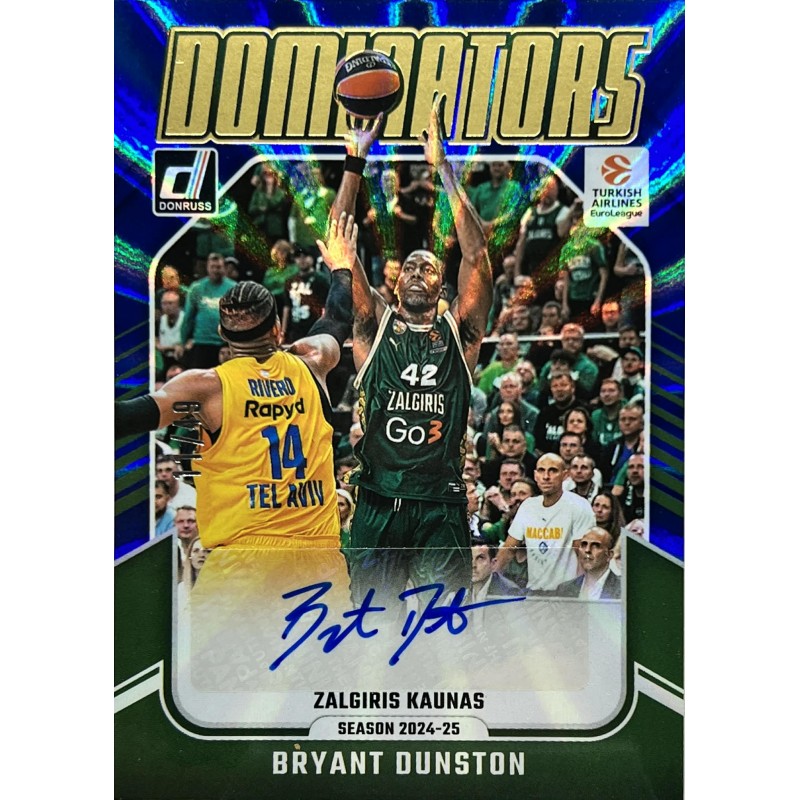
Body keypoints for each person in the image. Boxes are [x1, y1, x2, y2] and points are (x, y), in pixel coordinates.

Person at [115, 213, 360, 621]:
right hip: (316, 562)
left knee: (212, 663)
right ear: (278, 330)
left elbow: (126, 418)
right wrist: (341, 268)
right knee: (319, 663)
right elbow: (336, 319)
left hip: (242, 566)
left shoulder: (206, 386)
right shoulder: (313, 362)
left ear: (223, 337)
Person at [329, 96, 492, 610]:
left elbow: (477, 256)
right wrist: (355, 160)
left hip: (440, 501)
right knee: (369, 621)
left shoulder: (462, 333)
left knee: (443, 625)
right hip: (378, 499)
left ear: (443, 286)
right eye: (410, 268)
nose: (418, 271)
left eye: (430, 267)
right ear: (395, 285)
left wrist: (443, 169)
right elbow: (341, 243)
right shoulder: (373, 326)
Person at [495, 453, 595, 593]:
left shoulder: (579, 506)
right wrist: (490, 580)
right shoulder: (528, 506)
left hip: (567, 594)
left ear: (565, 475)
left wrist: (579, 595)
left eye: (553, 471)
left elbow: (583, 555)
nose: (546, 476)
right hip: (534, 592)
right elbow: (508, 550)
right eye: (541, 471)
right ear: (535, 475)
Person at [180, 253, 237, 369]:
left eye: (218, 267)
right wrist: (183, 341)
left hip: (225, 344)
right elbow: (188, 317)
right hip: (202, 342)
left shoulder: (234, 288)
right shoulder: (196, 288)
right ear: (207, 267)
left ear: (224, 268)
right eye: (212, 267)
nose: (215, 270)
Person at [552, 527, 620, 599]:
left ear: (609, 555)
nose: (587, 550)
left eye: (595, 546)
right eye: (584, 545)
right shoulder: (564, 589)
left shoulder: (624, 588)